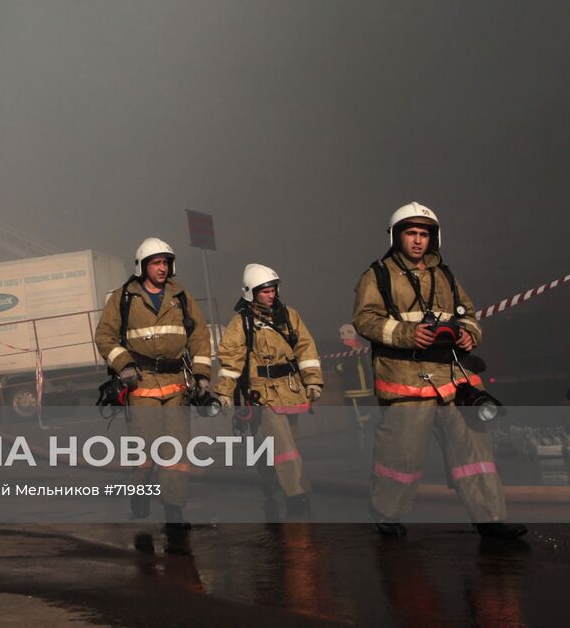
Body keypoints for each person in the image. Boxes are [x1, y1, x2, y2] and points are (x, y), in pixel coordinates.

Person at [353, 202, 526, 540]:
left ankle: (490, 519)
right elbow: (365, 319)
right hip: (405, 380)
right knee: (401, 453)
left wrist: (467, 334)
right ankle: (388, 515)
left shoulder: (446, 276)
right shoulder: (377, 275)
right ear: (396, 237)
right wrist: (406, 334)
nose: (418, 240)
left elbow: (470, 315)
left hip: (453, 379)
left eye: (424, 234)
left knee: (474, 452)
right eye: (411, 233)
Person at [95, 238, 212, 529]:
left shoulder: (180, 295)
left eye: (165, 263)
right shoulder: (124, 297)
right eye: (156, 263)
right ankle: (140, 492)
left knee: (176, 450)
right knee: (144, 449)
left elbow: (199, 336)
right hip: (141, 383)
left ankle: (174, 509)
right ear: (143, 266)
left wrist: (201, 376)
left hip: (176, 382)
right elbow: (105, 336)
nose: (162, 268)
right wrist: (124, 365)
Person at [214, 264, 323, 520]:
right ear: (251, 292)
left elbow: (306, 348)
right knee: (283, 444)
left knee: (287, 442)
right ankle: (296, 493)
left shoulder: (289, 315)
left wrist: (313, 381)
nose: (271, 294)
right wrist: (225, 392)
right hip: (262, 393)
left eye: (273, 289)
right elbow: (231, 359)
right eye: (265, 291)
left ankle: (267, 473)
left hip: (291, 389)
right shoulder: (241, 322)